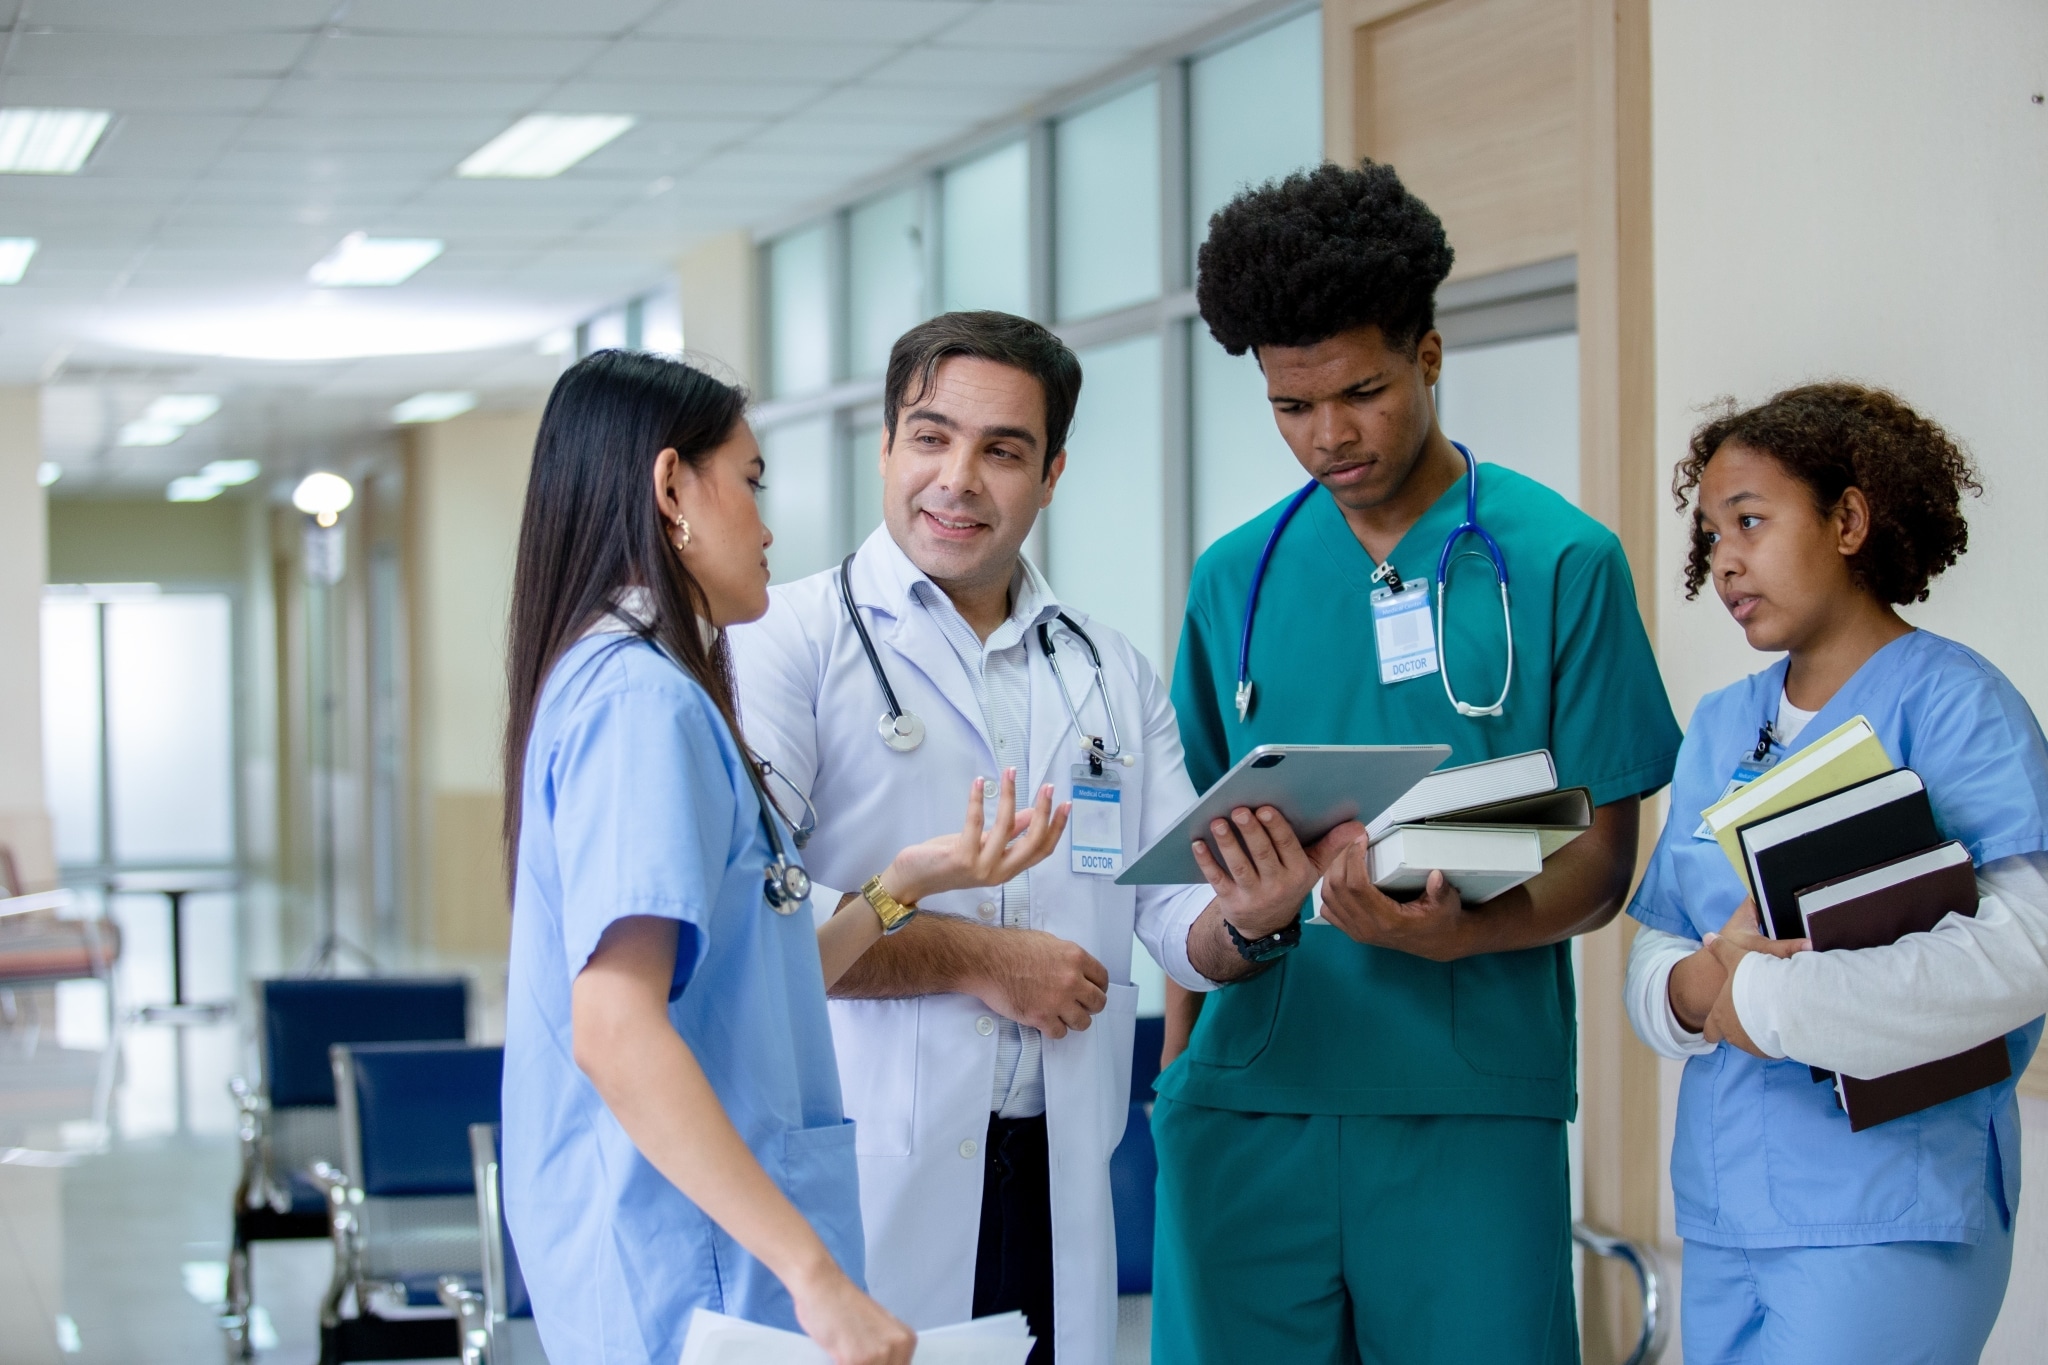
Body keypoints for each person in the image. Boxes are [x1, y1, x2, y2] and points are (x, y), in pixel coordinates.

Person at [728, 311, 1350, 1365]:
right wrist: (983, 959)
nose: (957, 479)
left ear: (1051, 472)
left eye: (1001, 450)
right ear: (884, 447)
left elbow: (1168, 914)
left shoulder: (1106, 671)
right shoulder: (784, 641)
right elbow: (756, 916)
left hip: (1056, 1165)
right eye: (929, 437)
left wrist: (1249, 918)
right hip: (864, 1170)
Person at [1152, 161, 1683, 1363]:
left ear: (1430, 356)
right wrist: (1178, 1082)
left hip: (1465, 1104)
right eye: (1290, 407)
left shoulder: (1561, 562)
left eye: (1361, 391)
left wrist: (1457, 935)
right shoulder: (1234, 579)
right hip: (1249, 1099)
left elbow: (1601, 863)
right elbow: (1187, 858)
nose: (1327, 436)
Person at [498, 350, 1070, 1365]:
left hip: (694, 1265)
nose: (765, 526)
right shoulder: (639, 704)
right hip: (697, 1275)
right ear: (672, 487)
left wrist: (904, 886)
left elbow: (747, 993)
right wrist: (814, 1276)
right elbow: (615, 1029)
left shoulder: (622, 685)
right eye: (750, 482)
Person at [1624, 383, 2048, 1364]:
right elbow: (1665, 947)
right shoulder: (1722, 725)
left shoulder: (1955, 708)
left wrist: (1766, 999)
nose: (1722, 559)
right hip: (1727, 1211)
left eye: (1750, 521)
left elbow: (2022, 955)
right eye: (1708, 533)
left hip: (1888, 1209)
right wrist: (1689, 990)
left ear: (1847, 520)